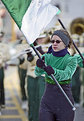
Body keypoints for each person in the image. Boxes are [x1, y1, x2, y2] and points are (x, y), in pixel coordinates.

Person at [35, 29, 84, 121]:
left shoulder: (71, 59)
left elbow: (67, 74)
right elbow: (37, 73)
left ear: (65, 43)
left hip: (65, 103)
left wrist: (54, 71)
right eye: (52, 41)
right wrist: (39, 66)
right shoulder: (46, 57)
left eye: (58, 41)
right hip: (47, 103)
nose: (54, 43)